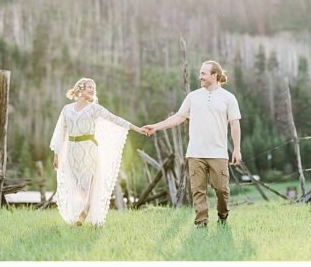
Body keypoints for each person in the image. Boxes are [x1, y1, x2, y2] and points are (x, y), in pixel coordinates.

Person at [142, 60, 241, 227]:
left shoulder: (228, 98)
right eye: (200, 73)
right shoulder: (193, 97)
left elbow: (234, 124)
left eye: (203, 73)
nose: (200, 76)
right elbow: (179, 117)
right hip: (195, 152)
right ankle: (201, 223)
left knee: (222, 191)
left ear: (214, 75)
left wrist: (237, 149)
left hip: (218, 153)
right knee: (198, 191)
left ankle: (223, 217)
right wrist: (156, 127)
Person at [49, 78, 149, 226]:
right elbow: (61, 133)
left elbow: (115, 119)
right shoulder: (67, 109)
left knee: (87, 183)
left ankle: (83, 213)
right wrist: (57, 155)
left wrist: (137, 128)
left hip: (89, 150)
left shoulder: (94, 109)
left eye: (94, 88)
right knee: (76, 185)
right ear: (80, 89)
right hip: (71, 151)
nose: (92, 89)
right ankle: (81, 210)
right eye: (89, 87)